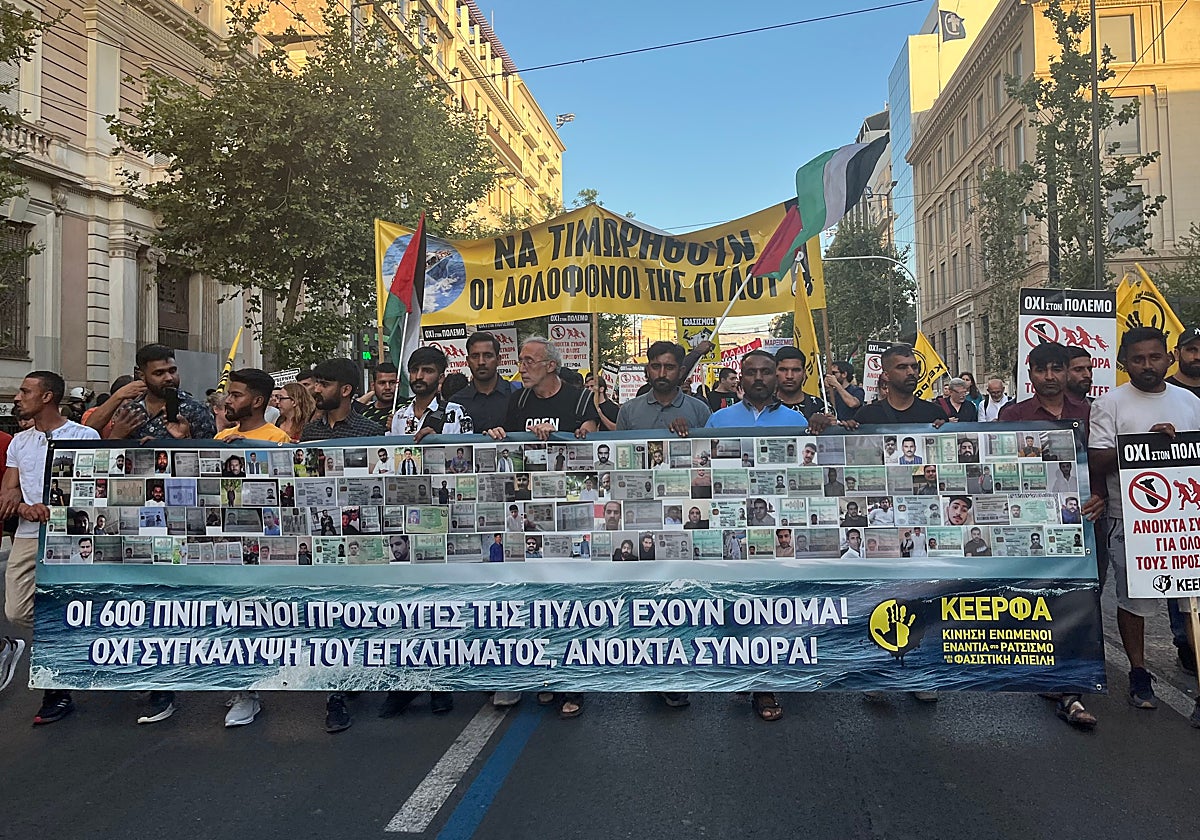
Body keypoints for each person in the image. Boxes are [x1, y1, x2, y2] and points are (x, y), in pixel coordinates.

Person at [1090, 327, 1200, 722]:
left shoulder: (1188, 401)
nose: (1147, 365)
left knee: (1193, 602)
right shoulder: (1111, 403)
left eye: (1154, 357)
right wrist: (1140, 444)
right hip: (1131, 517)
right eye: (1138, 359)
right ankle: (1139, 673)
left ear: (1169, 358)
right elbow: (1097, 460)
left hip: (1186, 519)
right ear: (1124, 363)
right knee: (1133, 600)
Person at [0, 372, 99, 718]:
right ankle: (71, 642)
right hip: (30, 535)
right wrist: (22, 504)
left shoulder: (85, 436)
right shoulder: (19, 442)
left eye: (26, 391)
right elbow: (9, 488)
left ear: (47, 397)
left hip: (73, 536)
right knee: (17, 609)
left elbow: (96, 488)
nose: (17, 396)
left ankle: (57, 689)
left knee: (76, 601)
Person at [487, 338, 599, 449]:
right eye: (521, 362)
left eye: (529, 362)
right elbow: (509, 439)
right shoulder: (518, 399)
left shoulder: (581, 399)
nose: (521, 369)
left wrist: (556, 436)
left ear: (550, 366)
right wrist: (498, 434)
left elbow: (589, 441)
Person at [97, 344, 217, 443]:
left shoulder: (196, 410)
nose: (169, 378)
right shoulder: (129, 411)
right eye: (159, 373)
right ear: (142, 376)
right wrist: (116, 436)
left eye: (172, 371)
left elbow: (209, 459)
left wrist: (177, 443)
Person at [616, 341, 711, 437]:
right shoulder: (628, 411)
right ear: (648, 370)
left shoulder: (700, 410)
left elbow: (709, 448)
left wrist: (689, 433)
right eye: (656, 367)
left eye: (669, 367)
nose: (662, 374)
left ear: (681, 372)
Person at [706, 351, 808, 430]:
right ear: (741, 380)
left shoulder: (798, 422)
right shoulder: (717, 421)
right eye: (751, 372)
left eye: (766, 372)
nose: (758, 378)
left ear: (776, 379)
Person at [851, 345, 946, 427]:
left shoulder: (934, 413)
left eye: (914, 367)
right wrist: (848, 430)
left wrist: (945, 429)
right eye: (902, 367)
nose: (911, 372)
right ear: (886, 375)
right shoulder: (867, 415)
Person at [999, 343, 1091, 425]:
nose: (1049, 377)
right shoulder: (1014, 415)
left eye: (1057, 370)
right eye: (1041, 370)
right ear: (1030, 375)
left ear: (1067, 373)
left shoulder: (1086, 413)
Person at [302, 358, 386, 447]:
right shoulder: (310, 431)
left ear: (345, 390)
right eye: (317, 383)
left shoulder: (370, 432)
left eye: (324, 385)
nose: (317, 390)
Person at [391, 347, 471, 439]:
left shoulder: (456, 413)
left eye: (427, 371)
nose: (418, 376)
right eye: (414, 370)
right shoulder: (399, 416)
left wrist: (438, 442)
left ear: (440, 377)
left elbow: (465, 451)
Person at [447, 332, 513, 433]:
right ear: (468, 361)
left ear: (498, 360)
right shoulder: (455, 404)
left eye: (487, 355)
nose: (481, 362)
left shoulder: (517, 397)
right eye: (475, 356)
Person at [215, 369, 292, 447]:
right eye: (229, 394)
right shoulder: (221, 437)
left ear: (257, 401)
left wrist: (247, 445)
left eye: (236, 396)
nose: (228, 400)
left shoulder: (277, 439)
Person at [773, 347, 830, 422]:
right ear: (774, 372)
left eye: (796, 370)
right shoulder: (763, 407)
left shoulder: (822, 407)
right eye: (783, 370)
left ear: (804, 373)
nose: (789, 376)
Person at [357, 362, 399, 426]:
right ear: (373, 386)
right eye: (382, 383)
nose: (388, 387)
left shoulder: (409, 408)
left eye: (392, 382)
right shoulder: (364, 414)